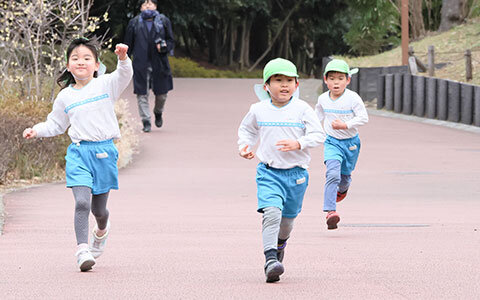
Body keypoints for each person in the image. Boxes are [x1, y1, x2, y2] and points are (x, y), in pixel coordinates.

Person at [23, 38, 133, 271]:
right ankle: (82, 249)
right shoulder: (65, 97)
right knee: (82, 202)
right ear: (67, 65)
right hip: (79, 153)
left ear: (96, 65)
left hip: (104, 153)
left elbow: (124, 75)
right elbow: (55, 124)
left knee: (99, 210)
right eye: (75, 58)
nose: (80, 62)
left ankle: (101, 230)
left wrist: (123, 58)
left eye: (86, 58)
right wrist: (37, 130)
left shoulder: (105, 84)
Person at [238, 58, 325, 283]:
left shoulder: (302, 109)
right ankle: (270, 260)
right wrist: (244, 146)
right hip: (268, 172)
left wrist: (299, 143)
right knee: (272, 213)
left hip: (296, 175)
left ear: (297, 85)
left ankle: (279, 246)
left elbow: (319, 135)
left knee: (286, 222)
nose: (284, 85)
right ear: (266, 85)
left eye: (289, 80)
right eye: (278, 80)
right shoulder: (258, 109)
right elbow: (247, 131)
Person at [315, 59, 368, 230]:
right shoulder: (323, 99)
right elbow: (317, 118)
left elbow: (363, 118)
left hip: (351, 143)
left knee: (344, 177)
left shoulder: (353, 98)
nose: (336, 82)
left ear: (348, 80)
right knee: (332, 174)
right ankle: (331, 212)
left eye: (340, 78)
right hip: (331, 142)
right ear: (325, 80)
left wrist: (346, 125)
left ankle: (342, 190)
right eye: (331, 78)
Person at [124, 0, 175, 132]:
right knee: (142, 93)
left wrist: (164, 47)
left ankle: (158, 112)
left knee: (162, 94)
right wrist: (124, 62)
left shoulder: (163, 21)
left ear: (156, 6)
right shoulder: (134, 23)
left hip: (160, 63)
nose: (148, 5)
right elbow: (128, 45)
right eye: (144, 3)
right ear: (140, 7)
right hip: (141, 63)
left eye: (150, 3)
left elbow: (171, 41)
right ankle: (146, 121)